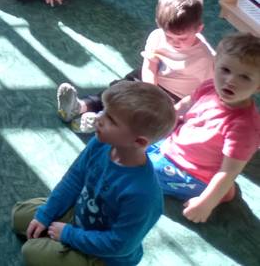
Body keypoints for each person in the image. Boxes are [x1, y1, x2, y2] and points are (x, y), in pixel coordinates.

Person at [12, 81, 176, 266]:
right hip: (81, 215)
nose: (99, 117)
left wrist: (68, 235)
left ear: (139, 142)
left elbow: (119, 245)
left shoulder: (143, 195)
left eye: (111, 119)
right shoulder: (100, 143)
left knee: (32, 252)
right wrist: (46, 215)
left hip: (106, 255)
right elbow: (73, 180)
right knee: (20, 215)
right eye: (104, 110)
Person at [58, 0, 214, 132]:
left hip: (174, 96)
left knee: (138, 111)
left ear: (198, 29)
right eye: (169, 36)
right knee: (117, 89)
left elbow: (202, 93)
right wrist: (150, 89)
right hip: (151, 80)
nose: (174, 42)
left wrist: (174, 108)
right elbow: (151, 63)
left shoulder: (205, 59)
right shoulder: (157, 36)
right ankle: (79, 107)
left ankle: (101, 121)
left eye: (182, 38)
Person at [145, 33, 260, 223]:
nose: (230, 80)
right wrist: (168, 118)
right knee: (135, 140)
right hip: (175, 145)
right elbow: (185, 104)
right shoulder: (210, 87)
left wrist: (206, 203)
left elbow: (229, 172)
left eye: (245, 77)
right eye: (225, 70)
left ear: (258, 86)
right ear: (214, 66)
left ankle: (218, 193)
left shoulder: (244, 128)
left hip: (193, 173)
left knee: (138, 170)